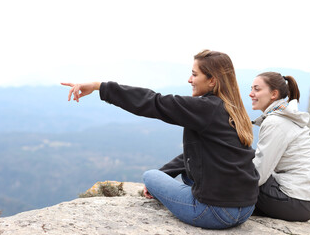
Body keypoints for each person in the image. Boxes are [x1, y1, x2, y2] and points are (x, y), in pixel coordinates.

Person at [62, 50, 259, 229]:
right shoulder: (233, 109)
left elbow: (153, 102)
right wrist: (166, 172)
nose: (190, 79)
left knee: (150, 176)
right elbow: (199, 153)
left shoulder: (205, 108)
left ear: (212, 81)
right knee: (186, 176)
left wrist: (100, 87)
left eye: (195, 74)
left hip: (215, 212)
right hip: (245, 208)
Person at [249, 72, 310, 222]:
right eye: (251, 89)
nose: (251, 94)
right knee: (244, 158)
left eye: (257, 89)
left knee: (235, 170)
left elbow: (258, 176)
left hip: (295, 202)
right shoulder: (283, 116)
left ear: (274, 94)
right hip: (305, 201)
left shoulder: (275, 122)